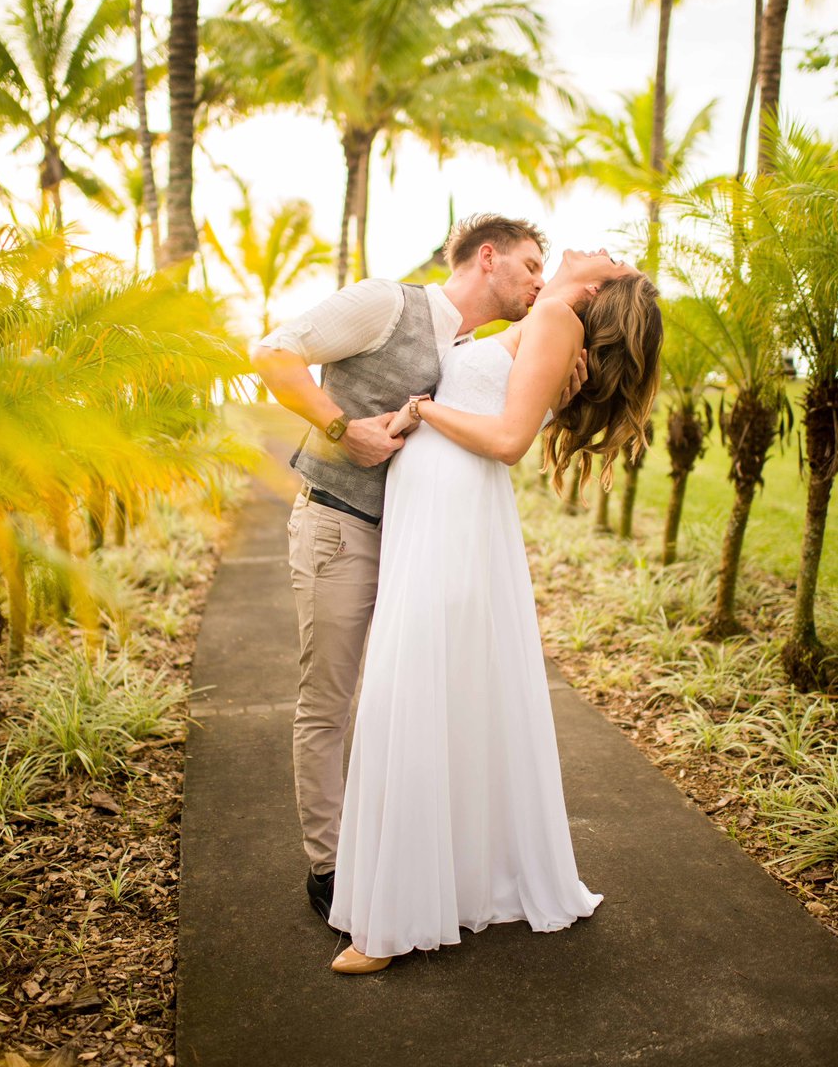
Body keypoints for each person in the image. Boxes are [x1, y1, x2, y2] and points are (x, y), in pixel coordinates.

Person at [251, 216, 631, 926]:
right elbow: (271, 351)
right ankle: (331, 867)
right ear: (486, 258)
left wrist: (554, 392)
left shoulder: (474, 344)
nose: (538, 281)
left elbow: (492, 417)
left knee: (409, 700)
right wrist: (339, 425)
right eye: (526, 266)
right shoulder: (385, 304)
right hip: (340, 524)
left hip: (416, 540)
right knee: (329, 702)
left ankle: (412, 859)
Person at [327, 247, 663, 973]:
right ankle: (429, 889)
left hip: (452, 502)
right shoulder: (546, 319)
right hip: (434, 500)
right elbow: (511, 407)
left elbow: (508, 442)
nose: (596, 248)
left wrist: (422, 409)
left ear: (601, 284)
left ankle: (393, 922)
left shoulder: (554, 317)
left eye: (608, 256)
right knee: (425, 684)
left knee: (414, 684)